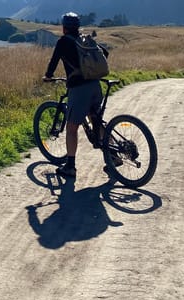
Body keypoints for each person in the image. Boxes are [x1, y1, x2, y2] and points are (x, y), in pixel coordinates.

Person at [42, 12, 110, 178]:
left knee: (71, 128)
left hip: (79, 89)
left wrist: (48, 76)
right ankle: (113, 157)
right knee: (96, 120)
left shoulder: (63, 42)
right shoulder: (85, 40)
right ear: (77, 27)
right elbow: (105, 54)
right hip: (95, 85)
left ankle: (70, 167)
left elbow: (53, 62)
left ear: (64, 27)